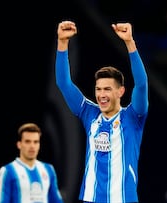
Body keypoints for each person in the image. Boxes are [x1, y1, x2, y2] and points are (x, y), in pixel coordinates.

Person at [55, 20, 149, 203]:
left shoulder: (133, 117)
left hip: (123, 199)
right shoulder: (89, 113)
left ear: (121, 91)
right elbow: (64, 84)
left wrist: (130, 43)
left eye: (107, 89)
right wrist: (62, 43)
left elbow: (142, 84)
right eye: (98, 89)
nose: (101, 95)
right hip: (90, 199)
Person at [0, 122, 64, 203]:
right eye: (28, 141)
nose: (32, 146)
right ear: (19, 144)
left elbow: (56, 200)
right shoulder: (8, 171)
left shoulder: (48, 169)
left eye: (36, 142)